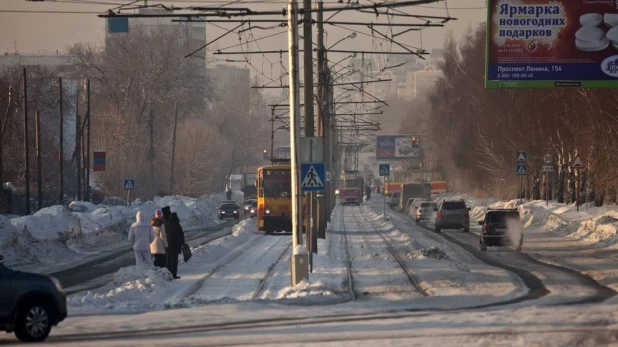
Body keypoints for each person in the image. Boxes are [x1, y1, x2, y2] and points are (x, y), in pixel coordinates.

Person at [165, 211, 185, 279]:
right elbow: (181, 234)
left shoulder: (167, 224)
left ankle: (168, 274)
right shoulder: (177, 224)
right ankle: (174, 274)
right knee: (174, 260)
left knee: (168, 260)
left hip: (167, 244)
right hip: (176, 245)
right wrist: (182, 243)